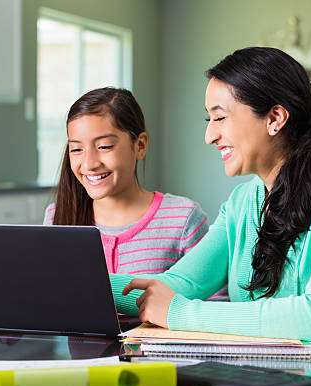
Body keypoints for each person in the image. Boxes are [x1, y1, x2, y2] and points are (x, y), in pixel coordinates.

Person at [111, 47, 311, 386]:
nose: (209, 136)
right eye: (208, 119)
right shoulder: (243, 202)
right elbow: (180, 283)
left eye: (220, 118)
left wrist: (179, 312)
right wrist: (67, 282)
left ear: (275, 118)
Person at [44, 87, 211, 280]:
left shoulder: (183, 220)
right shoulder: (55, 218)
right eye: (76, 149)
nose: (89, 163)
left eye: (104, 146)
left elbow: (214, 304)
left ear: (140, 146)